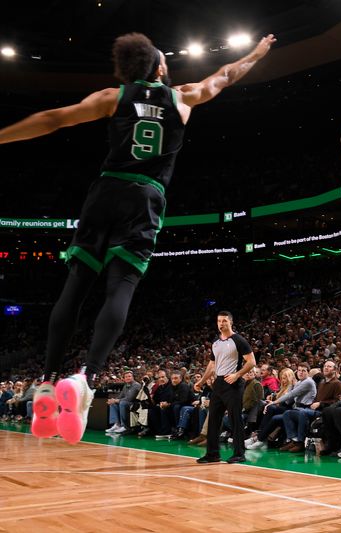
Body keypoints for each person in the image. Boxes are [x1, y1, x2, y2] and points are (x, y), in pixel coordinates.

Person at [7, 33, 277, 444]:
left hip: (105, 191)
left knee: (76, 285)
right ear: (160, 68)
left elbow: (55, 118)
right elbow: (225, 75)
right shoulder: (182, 97)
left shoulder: (113, 96)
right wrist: (257, 53)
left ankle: (45, 381)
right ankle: (88, 379)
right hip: (146, 197)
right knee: (121, 288)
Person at [195, 311, 257, 464]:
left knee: (235, 419)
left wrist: (237, 374)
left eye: (224, 321)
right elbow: (212, 364)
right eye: (218, 321)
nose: (221, 324)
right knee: (213, 419)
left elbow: (252, 362)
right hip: (219, 383)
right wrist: (202, 381)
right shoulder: (216, 343)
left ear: (231, 322)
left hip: (233, 383)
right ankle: (212, 454)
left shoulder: (238, 340)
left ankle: (239, 453)